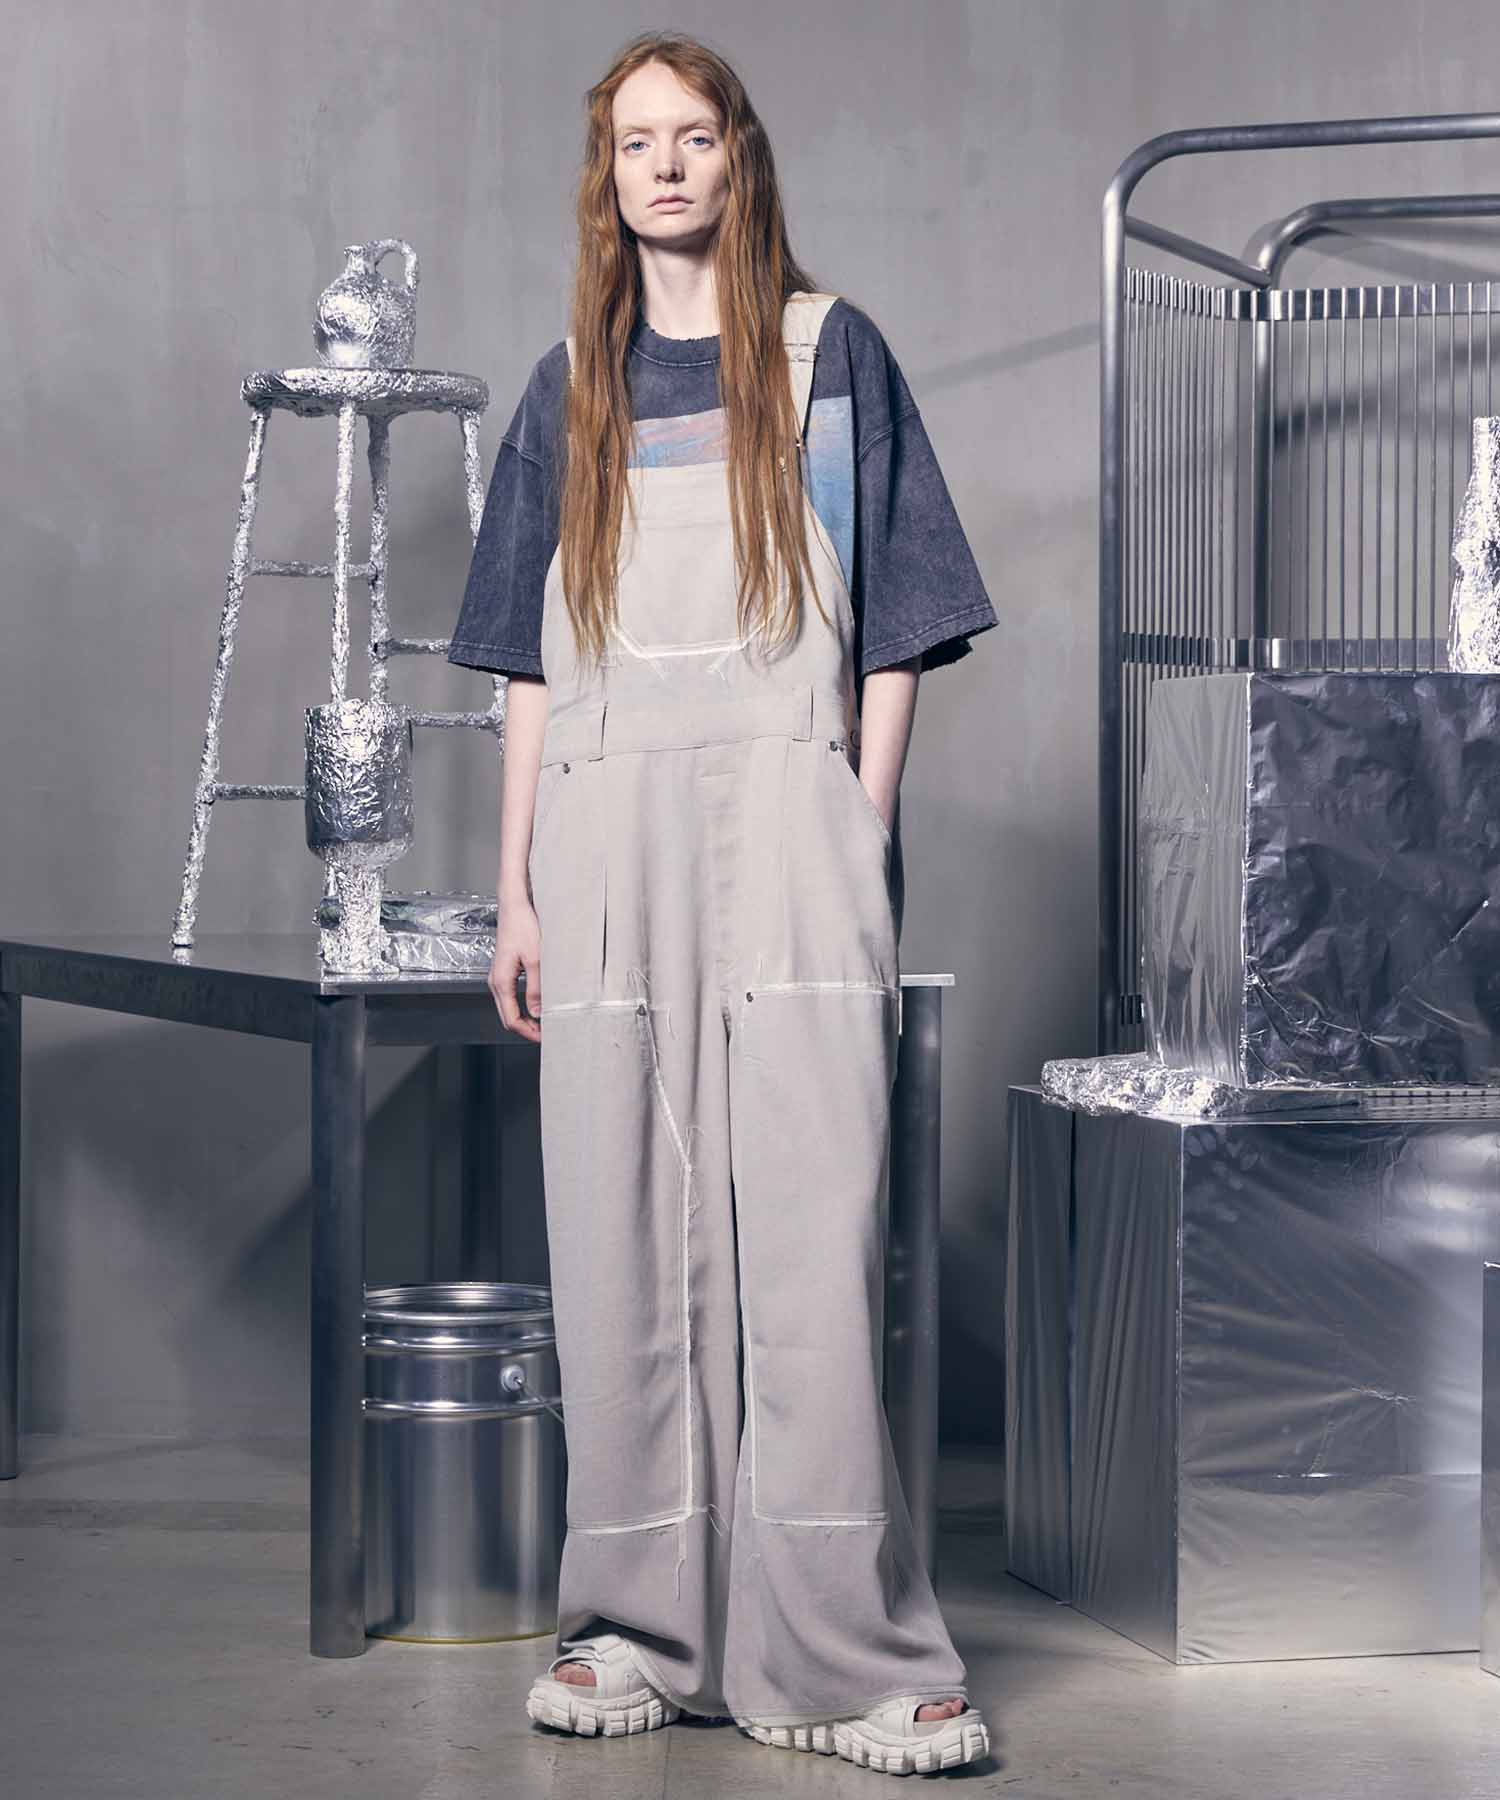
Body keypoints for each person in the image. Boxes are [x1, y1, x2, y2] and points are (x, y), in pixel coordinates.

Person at [447, 28, 998, 1780]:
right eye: (636, 143)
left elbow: (900, 625)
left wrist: (855, 817)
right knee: (617, 1220)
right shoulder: (569, 391)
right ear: (606, 178)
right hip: (605, 838)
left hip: (790, 821)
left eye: (693, 137)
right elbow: (525, 670)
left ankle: (847, 1652)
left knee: (814, 1232)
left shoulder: (833, 361)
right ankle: (633, 1630)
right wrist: (517, 889)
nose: (666, 167)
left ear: (737, 158)